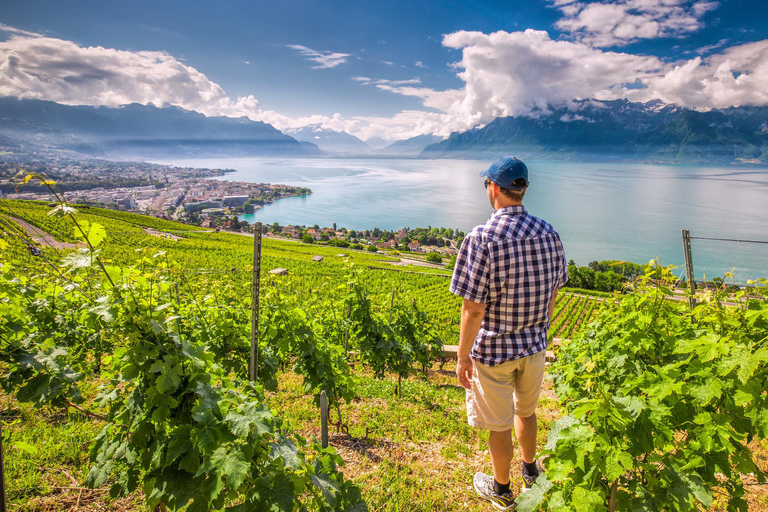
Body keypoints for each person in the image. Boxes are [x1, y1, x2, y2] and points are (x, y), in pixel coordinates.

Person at [449, 156, 567, 510]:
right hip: (534, 348)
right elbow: (554, 290)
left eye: (487, 184)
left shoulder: (481, 237)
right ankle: (531, 470)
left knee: (498, 425)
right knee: (527, 412)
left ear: (495, 188)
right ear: (522, 188)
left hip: (494, 353)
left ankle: (502, 490)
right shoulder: (549, 231)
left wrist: (462, 355)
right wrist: (539, 327)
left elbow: (472, 308)